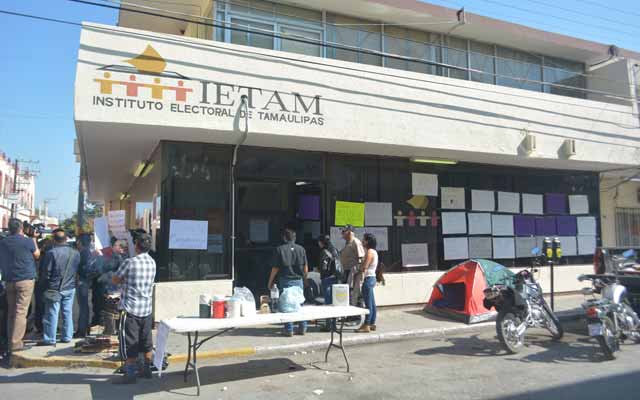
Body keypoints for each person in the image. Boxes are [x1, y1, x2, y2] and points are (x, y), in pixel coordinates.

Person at [112, 233, 156, 384]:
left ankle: (130, 374)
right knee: (146, 341)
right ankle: (146, 369)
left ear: (136, 246)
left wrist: (124, 280)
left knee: (130, 341)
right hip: (146, 309)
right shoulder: (152, 262)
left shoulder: (129, 262)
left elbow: (115, 279)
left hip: (130, 309)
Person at [0, 218, 40, 353]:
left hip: (9, 280)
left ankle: (9, 340)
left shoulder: (3, 242)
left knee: (11, 312)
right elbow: (37, 254)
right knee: (20, 312)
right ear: (21, 228)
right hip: (25, 280)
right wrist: (34, 238)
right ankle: (16, 343)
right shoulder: (27, 241)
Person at [38, 229, 80, 346]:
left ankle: (50, 339)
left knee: (52, 313)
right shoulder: (75, 253)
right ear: (66, 239)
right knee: (67, 312)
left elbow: (46, 273)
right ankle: (67, 336)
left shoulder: (51, 253)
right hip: (70, 286)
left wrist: (43, 285)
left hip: (54, 287)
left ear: (54, 240)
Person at [267, 228, 308, 337]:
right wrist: (305, 280)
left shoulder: (279, 249)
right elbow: (305, 267)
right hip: (299, 281)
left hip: (286, 280)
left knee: (287, 306)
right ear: (295, 238)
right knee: (299, 304)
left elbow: (275, 268)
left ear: (284, 238)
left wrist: (270, 282)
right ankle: (303, 327)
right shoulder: (301, 249)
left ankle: (289, 329)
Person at [76, 233, 97, 338]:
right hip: (86, 281)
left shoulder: (84, 253)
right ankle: (84, 328)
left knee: (83, 307)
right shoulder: (89, 252)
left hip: (82, 281)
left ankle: (82, 330)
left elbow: (84, 269)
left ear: (80, 242)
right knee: (84, 306)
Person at [356, 233, 379, 333]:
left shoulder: (369, 252)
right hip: (372, 278)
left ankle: (366, 324)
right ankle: (372, 323)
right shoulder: (374, 251)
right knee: (372, 302)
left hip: (368, 278)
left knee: (368, 303)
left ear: (368, 241)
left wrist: (359, 267)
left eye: (364, 239)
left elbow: (365, 266)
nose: (362, 241)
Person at [339, 225, 365, 306]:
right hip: (346, 271)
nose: (342, 234)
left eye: (344, 232)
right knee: (347, 293)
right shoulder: (347, 242)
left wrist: (356, 272)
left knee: (355, 293)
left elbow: (361, 259)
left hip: (354, 272)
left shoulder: (356, 242)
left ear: (349, 232)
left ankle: (357, 311)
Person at [318, 235, 341, 305]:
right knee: (334, 298)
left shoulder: (324, 251)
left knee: (328, 299)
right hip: (335, 275)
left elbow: (324, 266)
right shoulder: (335, 249)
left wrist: (321, 272)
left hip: (327, 276)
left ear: (321, 242)